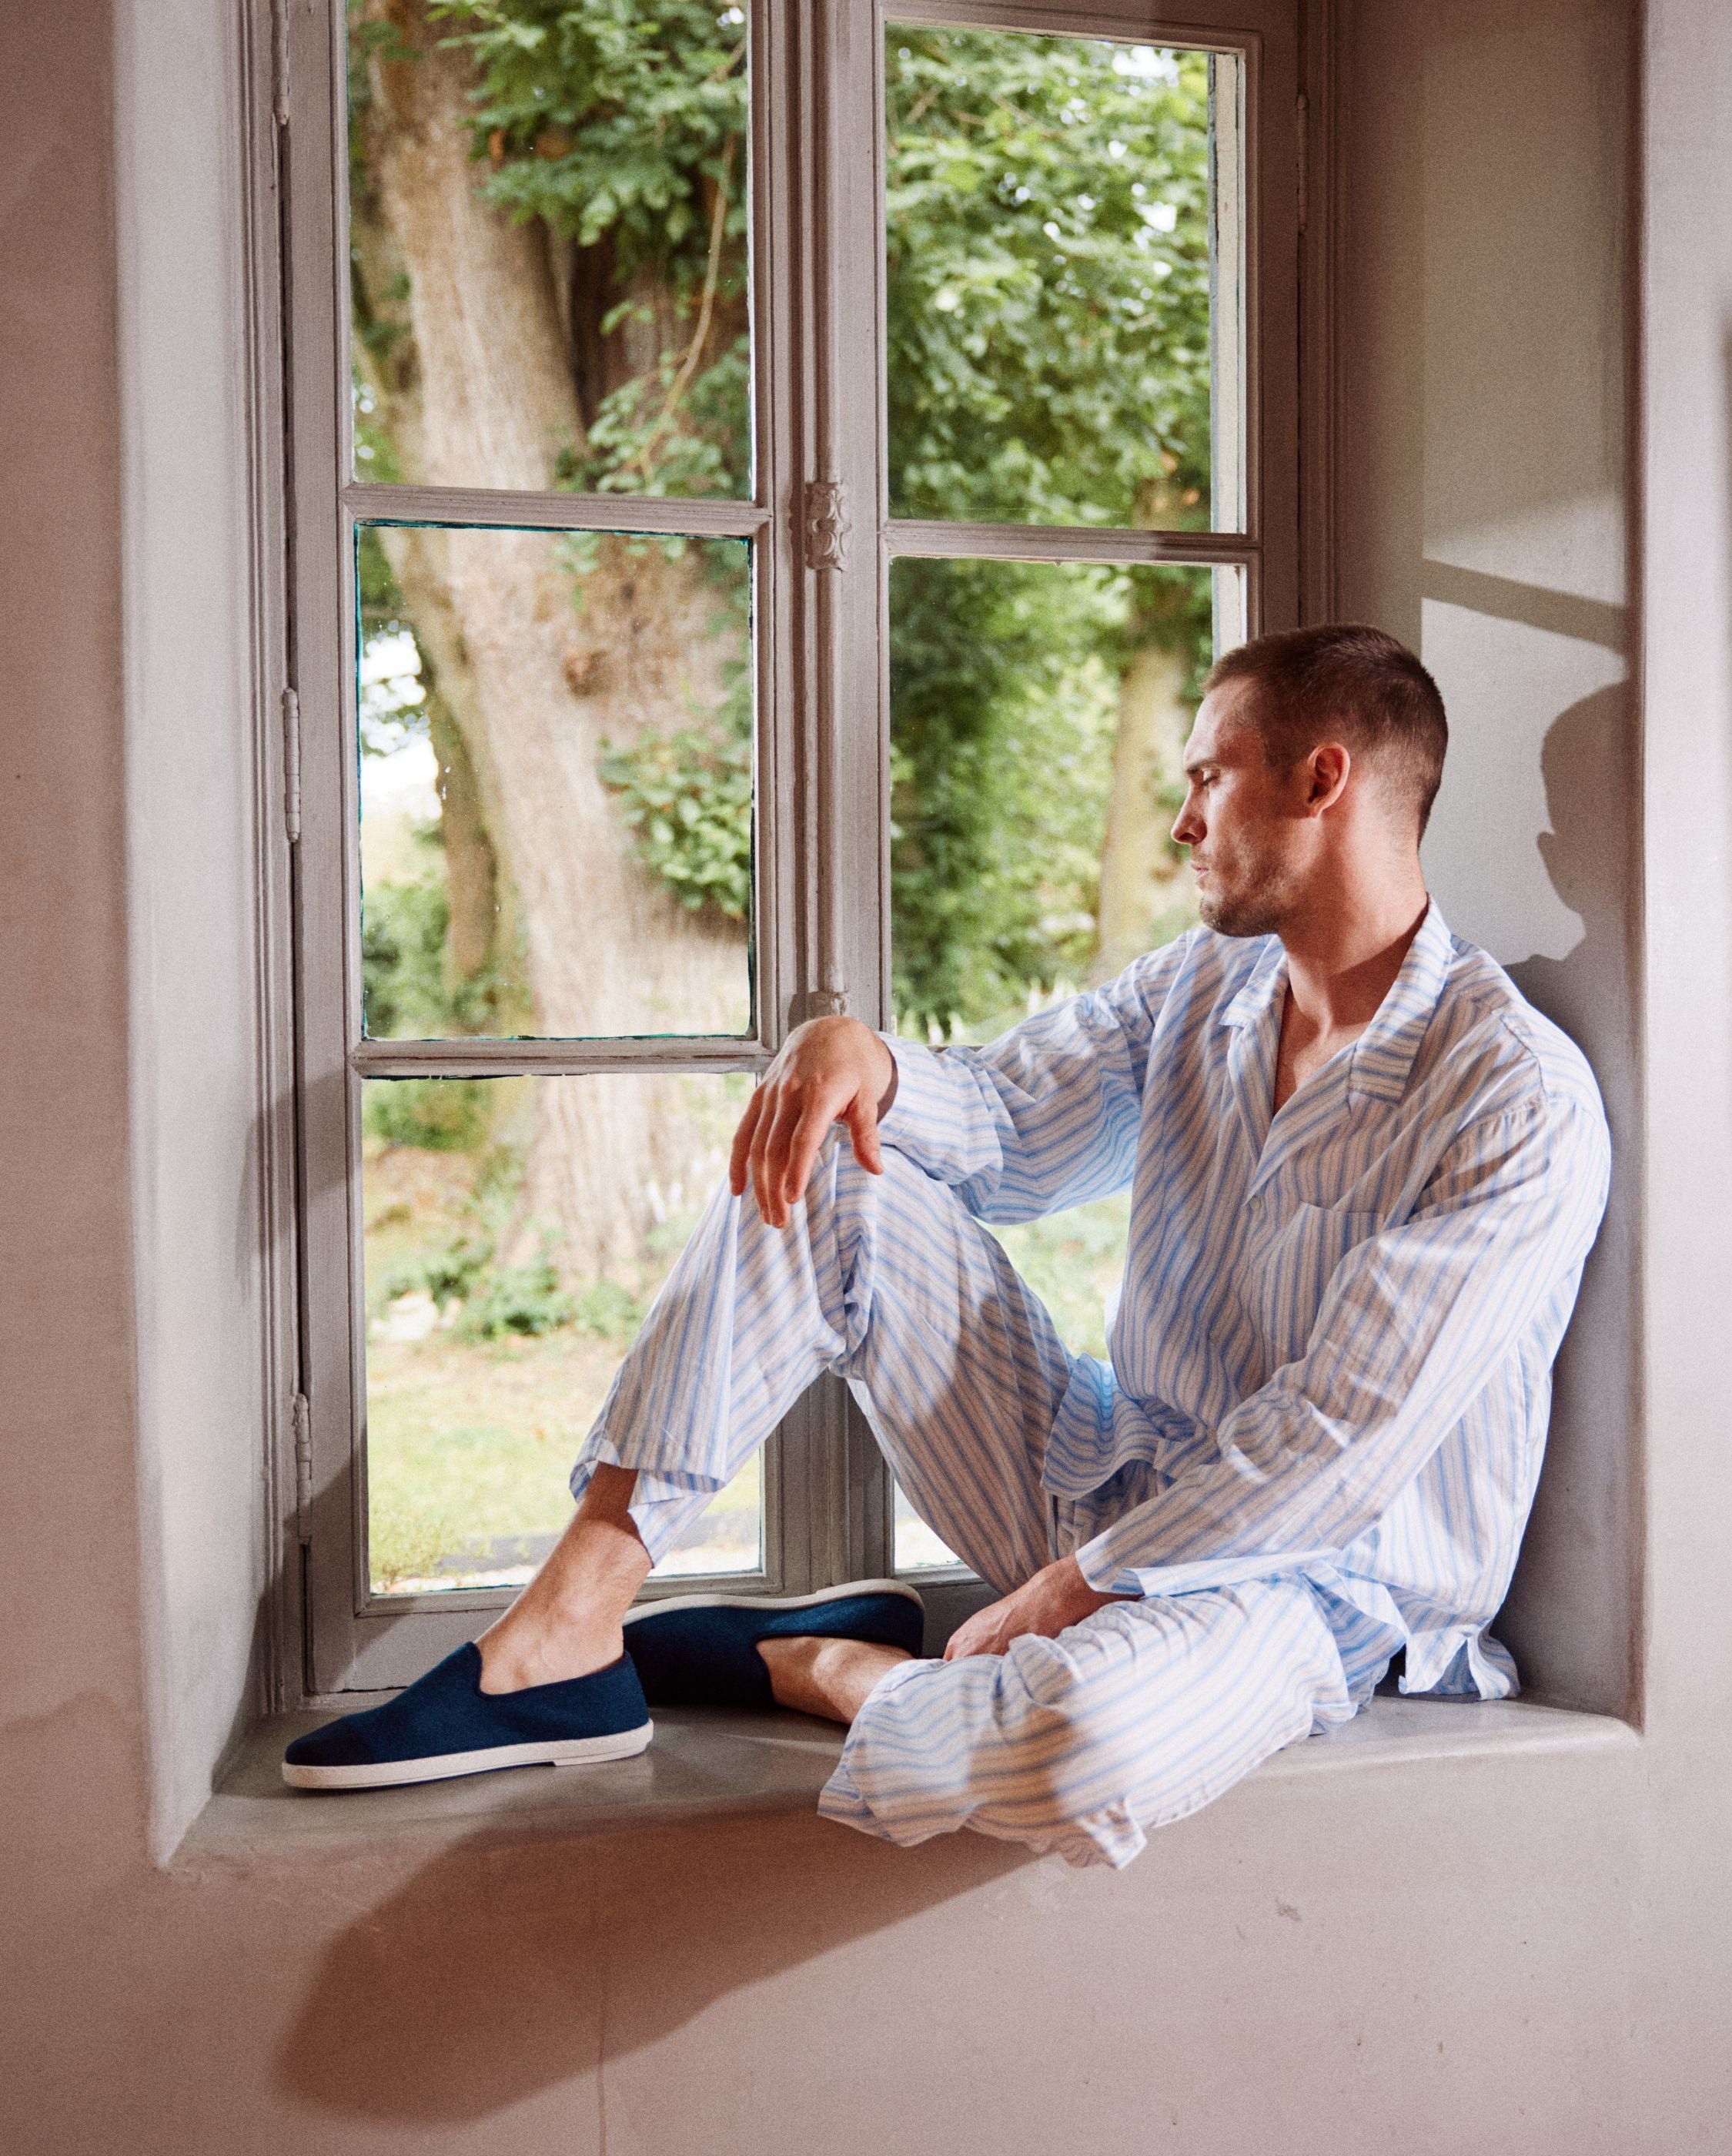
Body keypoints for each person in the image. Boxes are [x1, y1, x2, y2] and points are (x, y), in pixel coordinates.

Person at [285, 624, 1611, 1870]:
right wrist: (861, 1057)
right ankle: (565, 1631)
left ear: (1321, 778)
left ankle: (816, 1664)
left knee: (1069, 1743)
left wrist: (1056, 1597)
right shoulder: (1200, 987)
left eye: (1207, 776)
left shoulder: (1511, 1097)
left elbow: (1335, 1446)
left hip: (1306, 1587)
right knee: (838, 1172)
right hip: (1117, 1477)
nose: (1180, 819)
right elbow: (1013, 1129)